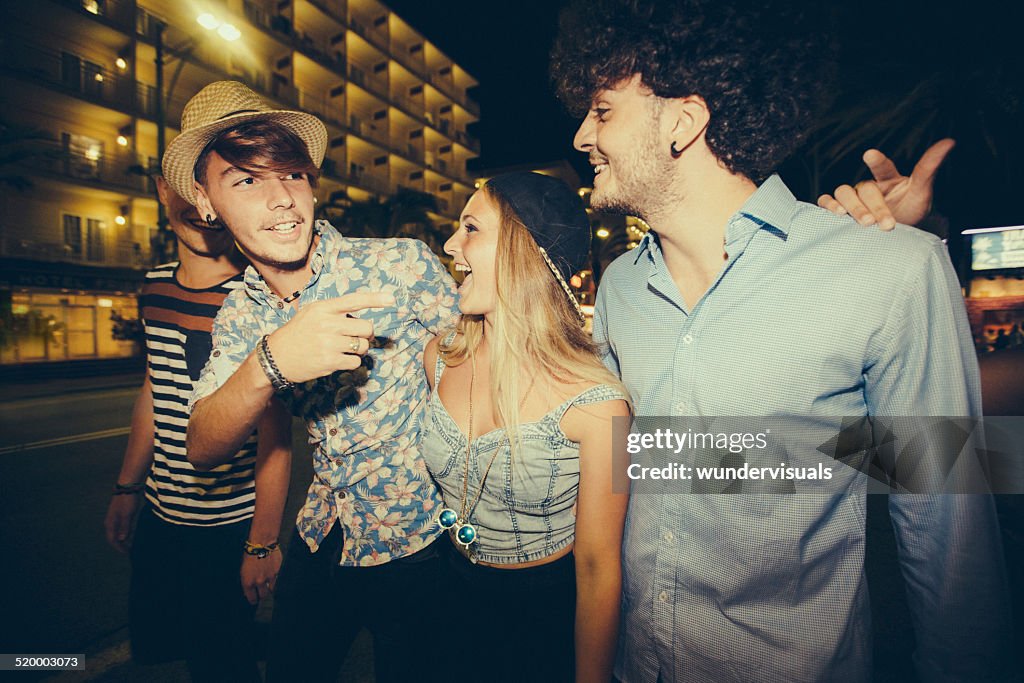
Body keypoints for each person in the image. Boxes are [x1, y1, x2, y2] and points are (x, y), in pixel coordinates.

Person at [550, 1, 1012, 682]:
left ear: (683, 121)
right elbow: (651, 468)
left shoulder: (891, 271)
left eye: (604, 111)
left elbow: (948, 529)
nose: (583, 135)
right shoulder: (620, 289)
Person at [164, 81, 460, 683]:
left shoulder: (400, 265)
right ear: (206, 201)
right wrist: (270, 363)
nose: (283, 201)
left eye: (292, 176)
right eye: (247, 180)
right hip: (324, 531)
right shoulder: (240, 317)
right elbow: (201, 446)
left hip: (423, 541)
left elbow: (487, 374)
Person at [420, 172, 630, 682]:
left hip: (541, 624)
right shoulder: (439, 358)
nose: (451, 245)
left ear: (525, 254)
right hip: (445, 601)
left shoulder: (602, 408)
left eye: (471, 228)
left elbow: (600, 569)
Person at [103, 176, 292, 682]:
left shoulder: (256, 298)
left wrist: (261, 542)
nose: (202, 208)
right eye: (188, 189)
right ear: (165, 192)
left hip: (228, 526)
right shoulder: (155, 286)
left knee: (220, 663)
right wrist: (128, 487)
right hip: (162, 516)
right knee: (162, 641)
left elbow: (276, 436)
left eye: (211, 188)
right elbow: (154, 389)